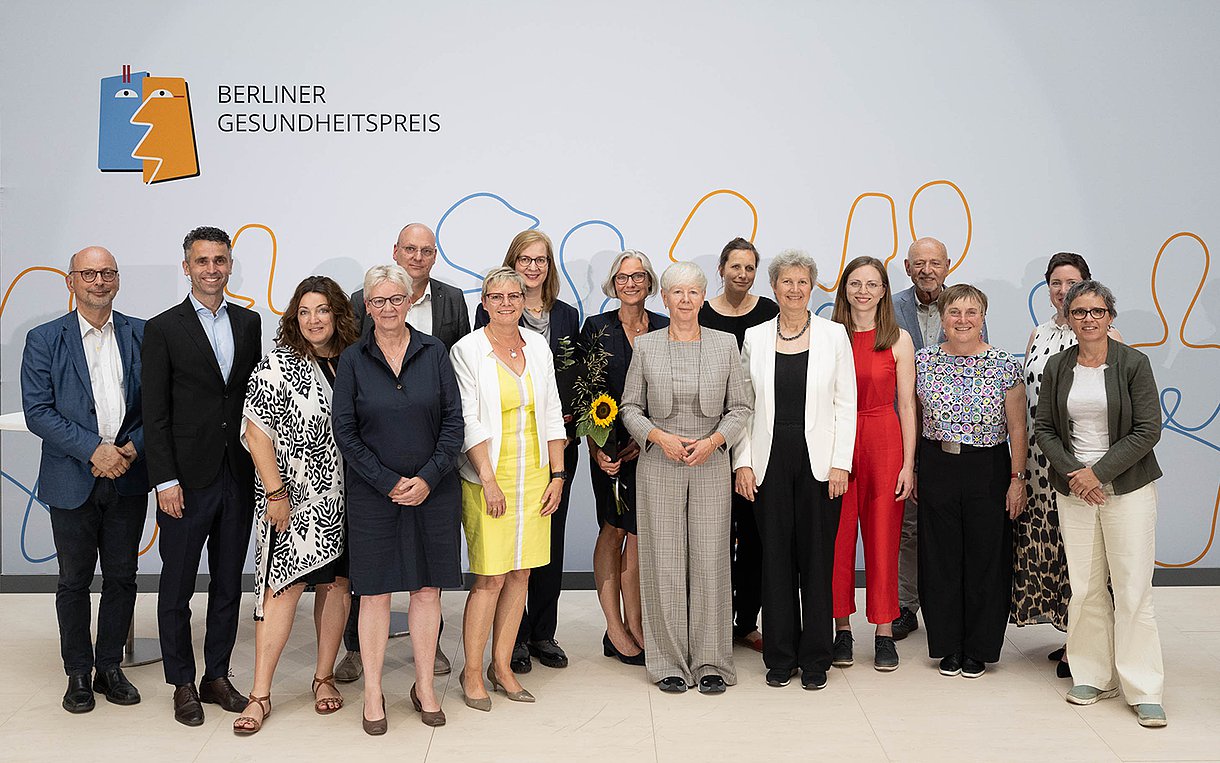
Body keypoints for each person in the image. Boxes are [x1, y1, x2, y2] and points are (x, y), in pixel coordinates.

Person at [332, 265, 465, 734]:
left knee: (427, 589)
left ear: (410, 302)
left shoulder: (435, 352)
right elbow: (344, 432)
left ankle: (424, 685)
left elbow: (454, 424)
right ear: (366, 306)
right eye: (378, 301)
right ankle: (372, 691)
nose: (388, 308)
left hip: (434, 491)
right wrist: (387, 481)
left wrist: (428, 477)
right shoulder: (352, 359)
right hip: (373, 495)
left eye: (396, 299)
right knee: (374, 593)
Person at [20, 246, 149, 714]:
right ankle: (77, 671)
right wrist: (93, 449)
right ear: (70, 281)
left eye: (108, 272)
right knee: (74, 580)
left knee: (122, 578)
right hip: (71, 476)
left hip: (129, 475)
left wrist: (130, 447)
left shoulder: (143, 334)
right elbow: (38, 410)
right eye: (89, 273)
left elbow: (159, 404)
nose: (99, 280)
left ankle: (110, 667)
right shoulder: (43, 338)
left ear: (117, 279)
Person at [1033, 280, 1167, 728]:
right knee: (1086, 587)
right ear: (1068, 319)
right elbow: (1045, 428)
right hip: (1074, 490)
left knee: (1132, 591)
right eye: (1079, 312)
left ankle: (1143, 687)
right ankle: (1093, 675)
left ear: (1111, 316)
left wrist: (1099, 474)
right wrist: (1076, 474)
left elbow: (1148, 429)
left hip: (1126, 489)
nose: (1088, 319)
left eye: (1097, 311)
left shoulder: (1134, 363)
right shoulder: (1057, 365)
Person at [142, 226, 262, 726]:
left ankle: (216, 675)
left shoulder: (250, 323)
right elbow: (155, 411)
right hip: (185, 483)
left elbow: (255, 401)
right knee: (176, 586)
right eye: (202, 261)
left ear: (230, 266)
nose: (212, 269)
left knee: (230, 584)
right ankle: (182, 683)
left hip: (236, 475)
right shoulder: (163, 328)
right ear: (187, 266)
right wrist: (165, 480)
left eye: (220, 260)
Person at [231, 276, 359, 735]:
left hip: (350, 501)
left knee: (337, 586)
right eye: (304, 312)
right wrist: (276, 492)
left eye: (321, 310)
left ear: (337, 314)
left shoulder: (356, 362)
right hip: (294, 500)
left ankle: (323, 678)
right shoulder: (276, 365)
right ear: (294, 318)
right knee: (280, 591)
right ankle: (260, 693)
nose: (313, 320)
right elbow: (255, 433)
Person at [620, 261, 752, 695]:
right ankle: (669, 664)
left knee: (712, 561)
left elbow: (741, 408)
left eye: (693, 293)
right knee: (664, 565)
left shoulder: (725, 344)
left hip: (711, 463)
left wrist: (716, 441)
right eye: (677, 293)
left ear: (702, 296)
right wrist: (657, 436)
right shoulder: (647, 346)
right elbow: (630, 408)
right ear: (664, 298)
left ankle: (712, 662)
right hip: (660, 464)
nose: (685, 300)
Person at [732, 250, 855, 690]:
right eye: (787, 282)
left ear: (813, 287)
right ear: (774, 286)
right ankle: (780, 657)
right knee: (776, 561)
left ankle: (817, 657)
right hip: (768, 461)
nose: (795, 289)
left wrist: (841, 462)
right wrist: (742, 462)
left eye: (803, 282)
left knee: (817, 561)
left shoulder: (833, 335)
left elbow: (846, 403)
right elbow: (743, 409)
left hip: (820, 463)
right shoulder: (756, 337)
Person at [451, 267, 566, 709]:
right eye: (495, 296)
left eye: (513, 296)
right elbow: (468, 420)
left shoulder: (537, 345)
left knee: (521, 573)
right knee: (490, 577)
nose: (505, 303)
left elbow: (553, 411)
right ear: (483, 302)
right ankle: (472, 671)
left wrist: (557, 475)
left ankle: (502, 667)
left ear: (524, 300)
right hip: (489, 477)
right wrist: (488, 480)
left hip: (535, 476)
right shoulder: (467, 350)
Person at [474, 230, 580, 673]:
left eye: (541, 260)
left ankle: (542, 632)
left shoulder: (568, 316)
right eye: (525, 259)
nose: (534, 267)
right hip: (504, 452)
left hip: (553, 450)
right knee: (508, 556)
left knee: (547, 545)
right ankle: (512, 640)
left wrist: (570, 423)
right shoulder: (486, 317)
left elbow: (574, 378)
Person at [1016, 252, 1121, 679]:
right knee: (1057, 550)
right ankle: (1070, 634)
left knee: (1091, 555)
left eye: (1071, 282)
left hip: (1085, 461)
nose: (1062, 290)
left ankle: (1088, 643)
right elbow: (1024, 401)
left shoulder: (1101, 332)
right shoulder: (1037, 334)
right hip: (1042, 463)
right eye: (1055, 283)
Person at [914, 284, 1025, 679]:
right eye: (955, 312)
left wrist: (1017, 478)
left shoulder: (1004, 364)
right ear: (941, 318)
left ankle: (979, 648)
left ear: (983, 317)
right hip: (937, 463)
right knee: (939, 558)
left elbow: (1017, 428)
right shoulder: (922, 361)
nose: (963, 320)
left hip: (988, 466)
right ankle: (947, 645)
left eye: (971, 312)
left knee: (985, 558)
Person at [889, 236, 987, 640]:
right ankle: (905, 606)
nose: (927, 269)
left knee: (952, 527)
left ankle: (952, 607)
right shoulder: (890, 308)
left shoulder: (966, 307)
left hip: (958, 438)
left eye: (934, 262)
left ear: (948, 265)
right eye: (918, 263)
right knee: (909, 525)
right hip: (903, 430)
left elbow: (981, 360)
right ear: (908, 268)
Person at [828, 256, 916, 671]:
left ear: (884, 291)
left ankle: (884, 631)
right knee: (838, 539)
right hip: (839, 442)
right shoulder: (828, 336)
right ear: (844, 289)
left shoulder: (898, 339)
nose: (863, 290)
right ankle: (841, 628)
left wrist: (908, 464)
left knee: (884, 541)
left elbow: (907, 406)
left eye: (873, 283)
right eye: (855, 283)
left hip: (884, 441)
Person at [580, 250, 667, 666]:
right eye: (622, 277)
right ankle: (615, 629)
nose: (630, 283)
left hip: (653, 449)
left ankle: (637, 626)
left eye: (638, 276)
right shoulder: (596, 329)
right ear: (613, 284)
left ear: (649, 283)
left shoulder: (668, 327)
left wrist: (647, 439)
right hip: (610, 452)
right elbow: (584, 395)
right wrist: (599, 448)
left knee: (639, 536)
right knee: (613, 529)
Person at [698, 237, 779, 654]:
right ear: (722, 268)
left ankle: (746, 621)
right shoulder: (702, 312)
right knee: (711, 537)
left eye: (749, 268)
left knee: (753, 536)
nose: (742, 275)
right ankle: (711, 621)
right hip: (709, 439)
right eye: (735, 267)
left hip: (755, 437)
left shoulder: (770, 312)